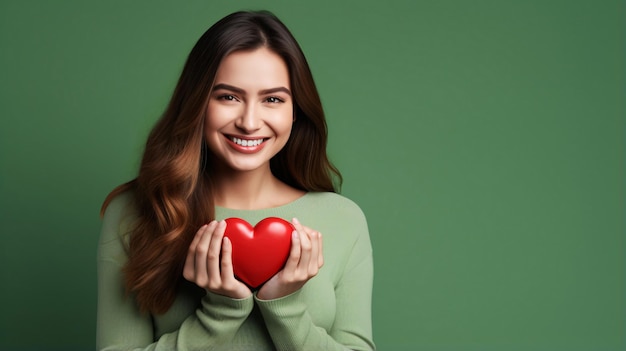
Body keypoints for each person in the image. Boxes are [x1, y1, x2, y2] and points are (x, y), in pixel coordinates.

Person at [97, 10, 375, 351]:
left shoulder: (344, 220)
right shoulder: (137, 213)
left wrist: (285, 308)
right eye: (228, 96)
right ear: (197, 102)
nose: (249, 121)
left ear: (295, 109)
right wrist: (219, 314)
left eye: (272, 99)